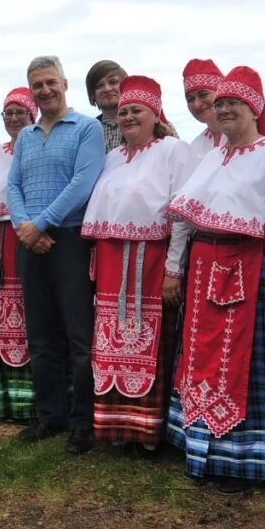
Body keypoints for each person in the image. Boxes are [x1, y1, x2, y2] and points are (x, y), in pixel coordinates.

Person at [162, 66, 265, 493]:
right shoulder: (209, 157)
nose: (223, 110)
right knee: (205, 359)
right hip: (206, 268)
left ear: (255, 108)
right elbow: (186, 217)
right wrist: (176, 266)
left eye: (232, 103)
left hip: (254, 268)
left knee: (253, 361)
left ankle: (253, 461)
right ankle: (208, 453)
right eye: (220, 104)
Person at [82, 76, 195, 450]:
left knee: (152, 340)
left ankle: (147, 431)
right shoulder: (112, 157)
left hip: (152, 261)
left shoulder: (174, 151)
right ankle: (116, 427)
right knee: (110, 342)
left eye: (137, 111)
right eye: (125, 111)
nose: (128, 117)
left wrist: (175, 269)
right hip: (114, 262)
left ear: (155, 114)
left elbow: (182, 215)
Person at [8, 56, 105, 453]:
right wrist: (24, 228)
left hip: (69, 240)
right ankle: (51, 416)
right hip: (31, 240)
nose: (45, 90)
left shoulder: (87, 128)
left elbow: (84, 182)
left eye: (51, 82)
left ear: (64, 83)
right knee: (41, 334)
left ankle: (83, 423)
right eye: (37, 85)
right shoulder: (27, 136)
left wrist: (41, 224)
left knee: (78, 335)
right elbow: (13, 184)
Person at [0, 87, 38, 421]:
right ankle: (10, 399)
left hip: (32, 238)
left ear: (32, 114)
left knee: (36, 317)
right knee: (4, 320)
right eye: (9, 113)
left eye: (21, 112)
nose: (15, 118)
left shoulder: (40, 148)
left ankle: (38, 399)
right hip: (2, 240)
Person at [183, 58, 225, 160]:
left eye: (203, 95)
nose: (197, 104)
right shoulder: (195, 148)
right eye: (190, 99)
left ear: (221, 92)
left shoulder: (249, 138)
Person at [85, 60, 128, 152]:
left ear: (126, 86)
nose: (107, 89)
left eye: (113, 82)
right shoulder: (86, 132)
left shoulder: (145, 128)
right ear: (92, 95)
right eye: (99, 86)